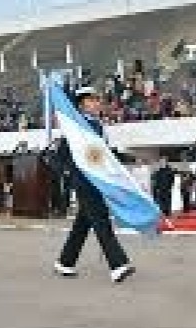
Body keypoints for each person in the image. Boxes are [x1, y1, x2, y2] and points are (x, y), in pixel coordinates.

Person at [54, 86, 135, 284]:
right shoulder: (76, 127)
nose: (97, 103)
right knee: (101, 221)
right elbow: (61, 155)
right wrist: (71, 174)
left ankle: (65, 261)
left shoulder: (97, 126)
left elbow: (102, 155)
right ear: (81, 105)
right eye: (91, 100)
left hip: (97, 180)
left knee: (82, 225)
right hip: (84, 182)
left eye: (97, 100)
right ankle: (118, 265)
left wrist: (125, 157)